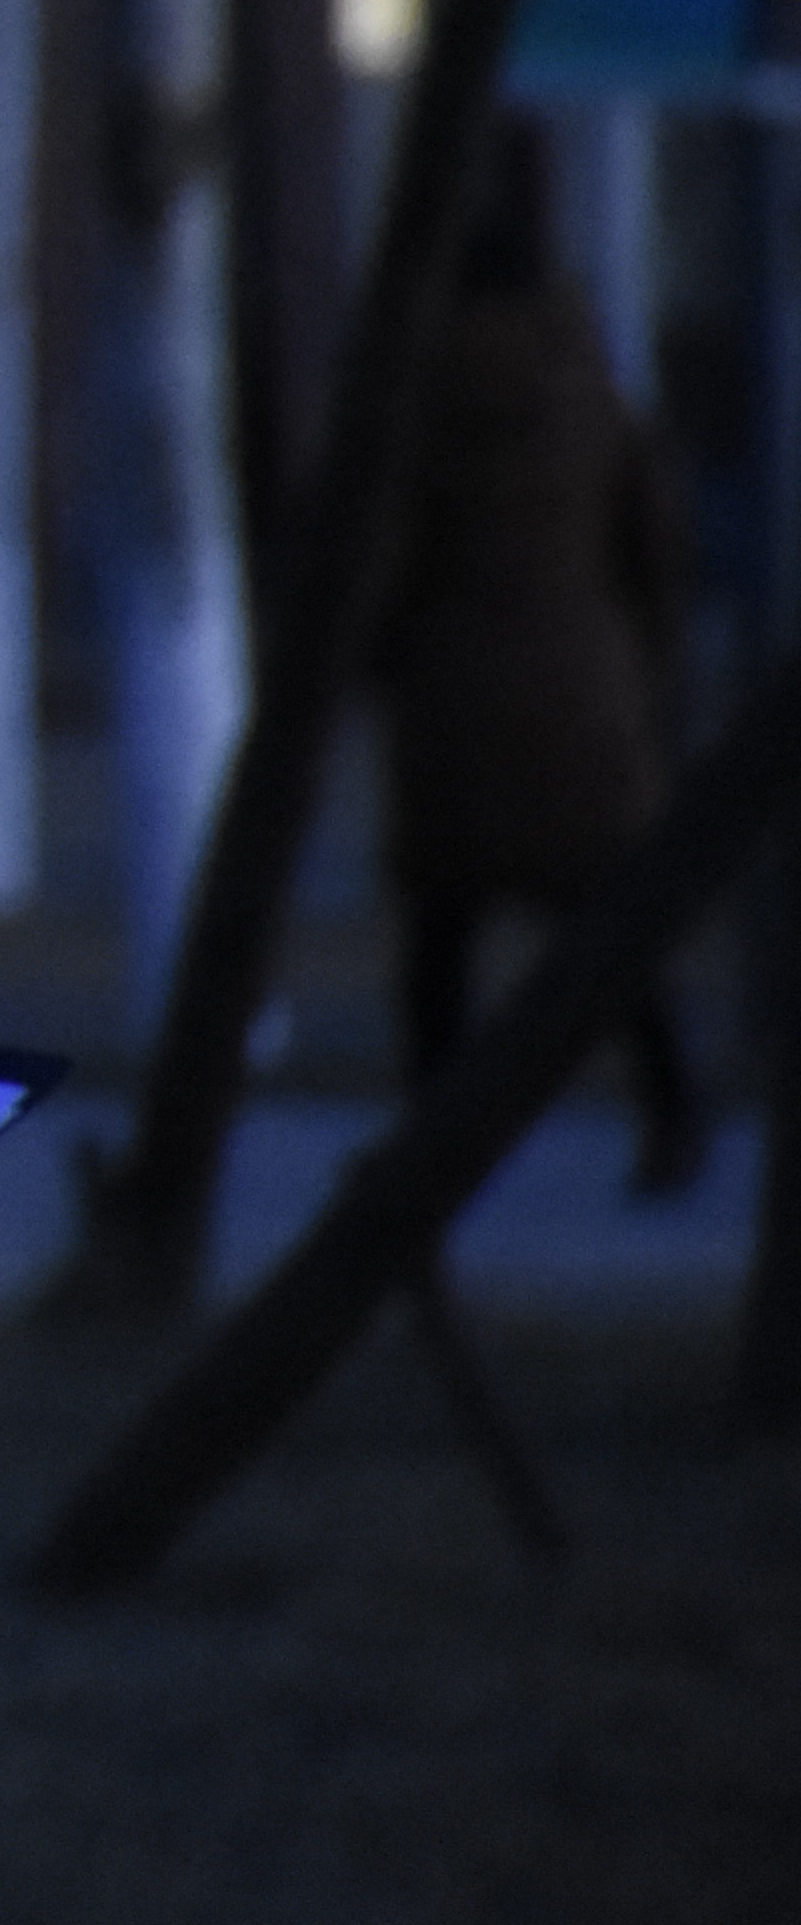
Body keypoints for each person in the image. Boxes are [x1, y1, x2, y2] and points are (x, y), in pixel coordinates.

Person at [373, 114, 712, 1194]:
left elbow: (384, 555)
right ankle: (673, 1113)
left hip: (453, 701)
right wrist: (647, 662)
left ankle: (431, 1155)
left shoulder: (421, 393)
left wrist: (380, 663)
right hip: (581, 689)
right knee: (611, 929)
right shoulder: (583, 378)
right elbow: (651, 530)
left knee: (442, 943)